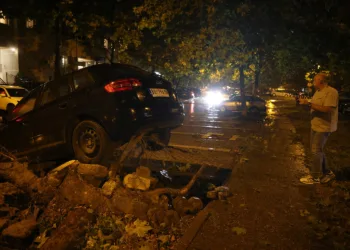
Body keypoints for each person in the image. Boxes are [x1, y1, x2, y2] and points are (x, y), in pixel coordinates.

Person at [299, 72, 338, 184]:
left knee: (316, 150)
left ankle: (315, 177)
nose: (313, 82)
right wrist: (306, 104)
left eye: (315, 80)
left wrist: (309, 104)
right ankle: (328, 173)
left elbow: (327, 109)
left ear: (321, 80)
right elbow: (315, 106)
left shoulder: (331, 92)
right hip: (315, 125)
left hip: (324, 126)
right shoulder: (318, 92)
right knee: (317, 150)